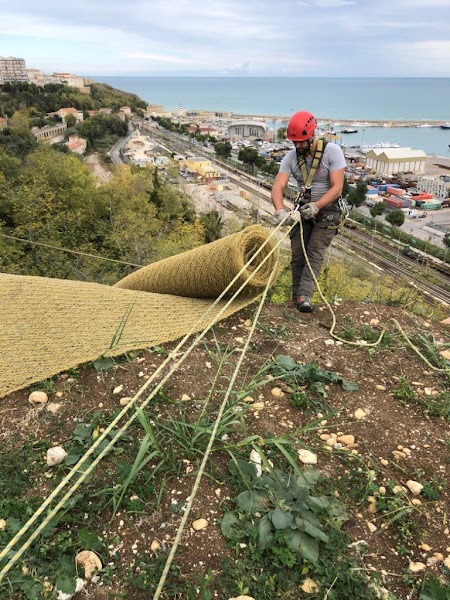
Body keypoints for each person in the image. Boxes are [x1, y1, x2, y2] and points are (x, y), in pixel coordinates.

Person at [271, 110, 346, 313]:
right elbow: (278, 186)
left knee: (314, 252)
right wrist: (279, 210)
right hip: (303, 209)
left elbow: (337, 187)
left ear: (312, 135)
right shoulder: (291, 158)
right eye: (295, 142)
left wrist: (317, 205)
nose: (298, 146)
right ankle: (296, 297)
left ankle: (304, 296)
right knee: (297, 255)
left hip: (327, 210)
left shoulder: (332, 152)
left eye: (302, 142)